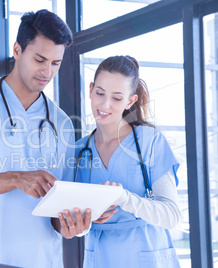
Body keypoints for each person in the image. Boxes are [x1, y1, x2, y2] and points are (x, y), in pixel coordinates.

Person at [0, 9, 98, 268]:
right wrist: (15, 179)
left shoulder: (62, 124)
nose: (47, 71)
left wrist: (71, 226)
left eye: (55, 63)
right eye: (39, 59)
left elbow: (59, 212)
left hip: (40, 259)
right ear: (17, 49)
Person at [75, 55, 181, 267]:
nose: (104, 104)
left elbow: (172, 216)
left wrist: (123, 198)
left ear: (130, 101)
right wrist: (87, 219)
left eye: (116, 98)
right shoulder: (79, 150)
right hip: (100, 257)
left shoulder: (150, 141)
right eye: (99, 93)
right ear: (90, 90)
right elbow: (74, 218)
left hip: (147, 255)